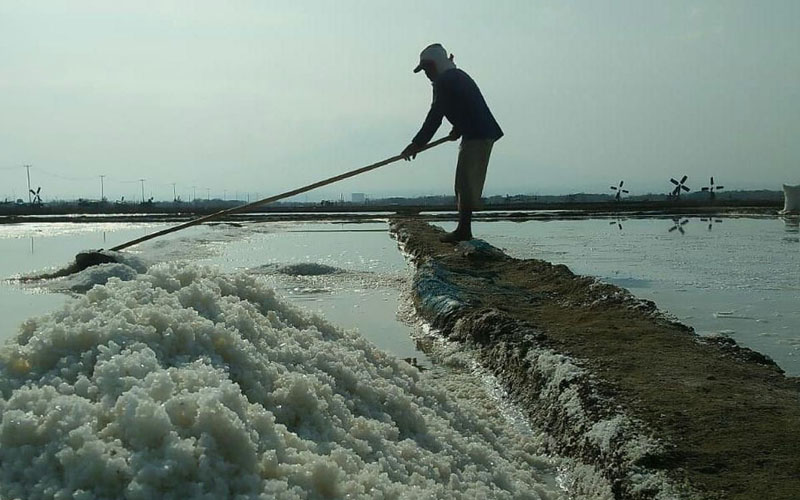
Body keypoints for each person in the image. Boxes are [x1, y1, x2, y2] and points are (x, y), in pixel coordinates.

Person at [401, 43, 503, 242]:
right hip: (476, 131)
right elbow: (464, 105)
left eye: (427, 69)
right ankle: (463, 229)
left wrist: (416, 144)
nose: (426, 75)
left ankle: (464, 231)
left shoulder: (445, 81)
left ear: (435, 65)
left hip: (478, 134)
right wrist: (458, 127)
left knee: (466, 183)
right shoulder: (455, 76)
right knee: (463, 183)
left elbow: (435, 116)